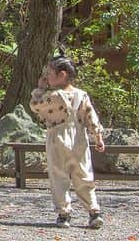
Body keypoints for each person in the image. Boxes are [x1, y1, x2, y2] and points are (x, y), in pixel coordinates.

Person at [30, 55, 106, 230]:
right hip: (79, 139)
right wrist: (97, 136)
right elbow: (90, 116)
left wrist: (39, 89)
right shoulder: (81, 95)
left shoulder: (52, 96)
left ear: (62, 75)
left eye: (49, 73)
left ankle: (64, 214)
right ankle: (94, 212)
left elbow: (36, 106)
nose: (46, 77)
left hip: (58, 137)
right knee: (83, 173)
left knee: (59, 175)